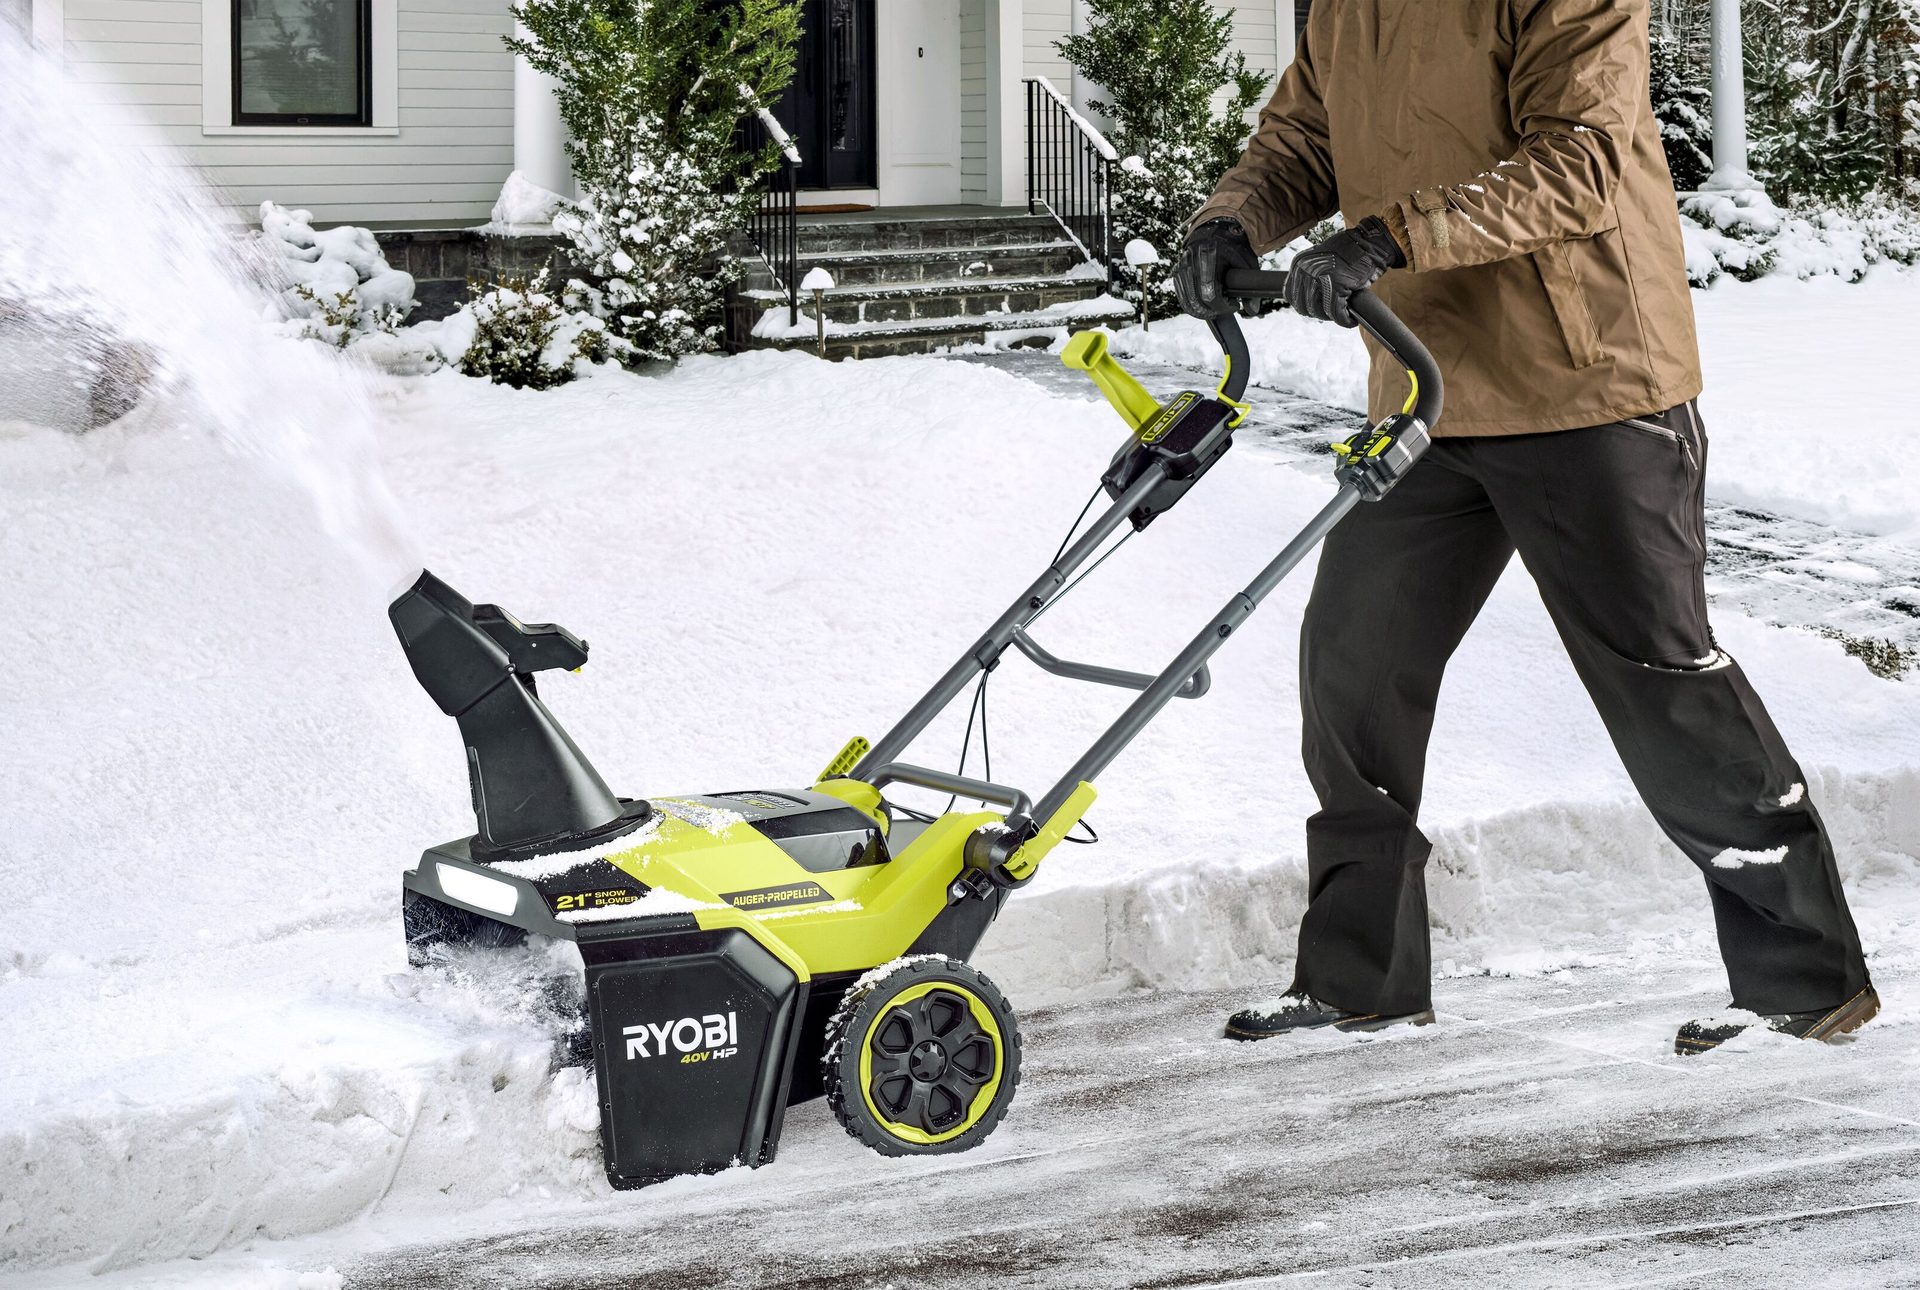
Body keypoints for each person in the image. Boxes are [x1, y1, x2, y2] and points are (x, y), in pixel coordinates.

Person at [1172, 0, 1877, 1056]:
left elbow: (1584, 162)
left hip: (1587, 384)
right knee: (1353, 671)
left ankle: (1803, 982)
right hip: (1425, 385)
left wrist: (1390, 234)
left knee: (1661, 680)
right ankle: (1359, 979)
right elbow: (1306, 139)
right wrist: (1235, 220)